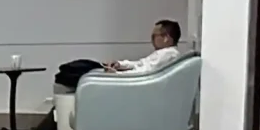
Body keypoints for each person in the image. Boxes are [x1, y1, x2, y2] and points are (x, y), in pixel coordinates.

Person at [53, 19, 185, 93]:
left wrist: (116, 75)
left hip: (130, 83)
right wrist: (120, 65)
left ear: (166, 38)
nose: (151, 39)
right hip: (128, 79)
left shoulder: (169, 55)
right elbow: (141, 64)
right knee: (86, 66)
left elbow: (144, 73)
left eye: (154, 36)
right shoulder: (162, 54)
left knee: (81, 70)